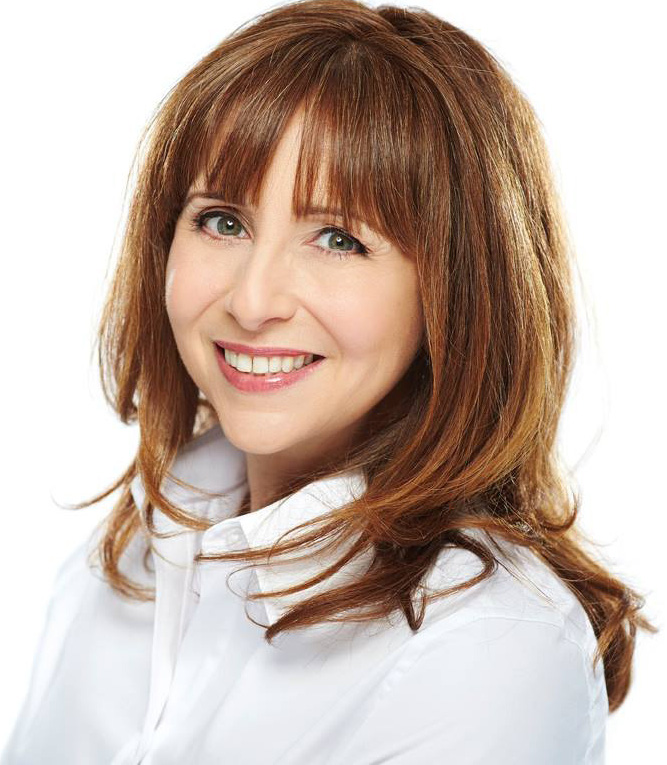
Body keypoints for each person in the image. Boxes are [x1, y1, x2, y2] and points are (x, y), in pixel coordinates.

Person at [1, 0, 657, 762]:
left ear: (457, 290)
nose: (252, 301)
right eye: (222, 221)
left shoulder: (485, 648)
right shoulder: (130, 546)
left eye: (338, 239)